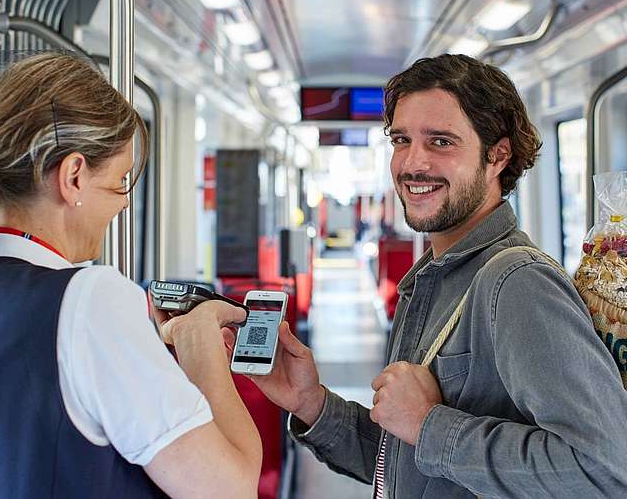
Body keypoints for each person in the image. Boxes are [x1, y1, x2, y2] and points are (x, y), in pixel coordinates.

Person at [233, 54, 627, 498]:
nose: (412, 163)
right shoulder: (434, 278)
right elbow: (410, 465)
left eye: (441, 141)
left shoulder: (516, 283)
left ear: (497, 155)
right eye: (401, 140)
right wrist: (312, 404)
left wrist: (428, 425)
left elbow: (604, 471)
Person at [0, 53, 261, 498]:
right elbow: (231, 487)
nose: (124, 204)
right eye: (119, 182)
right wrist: (199, 345)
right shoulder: (90, 299)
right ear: (74, 176)